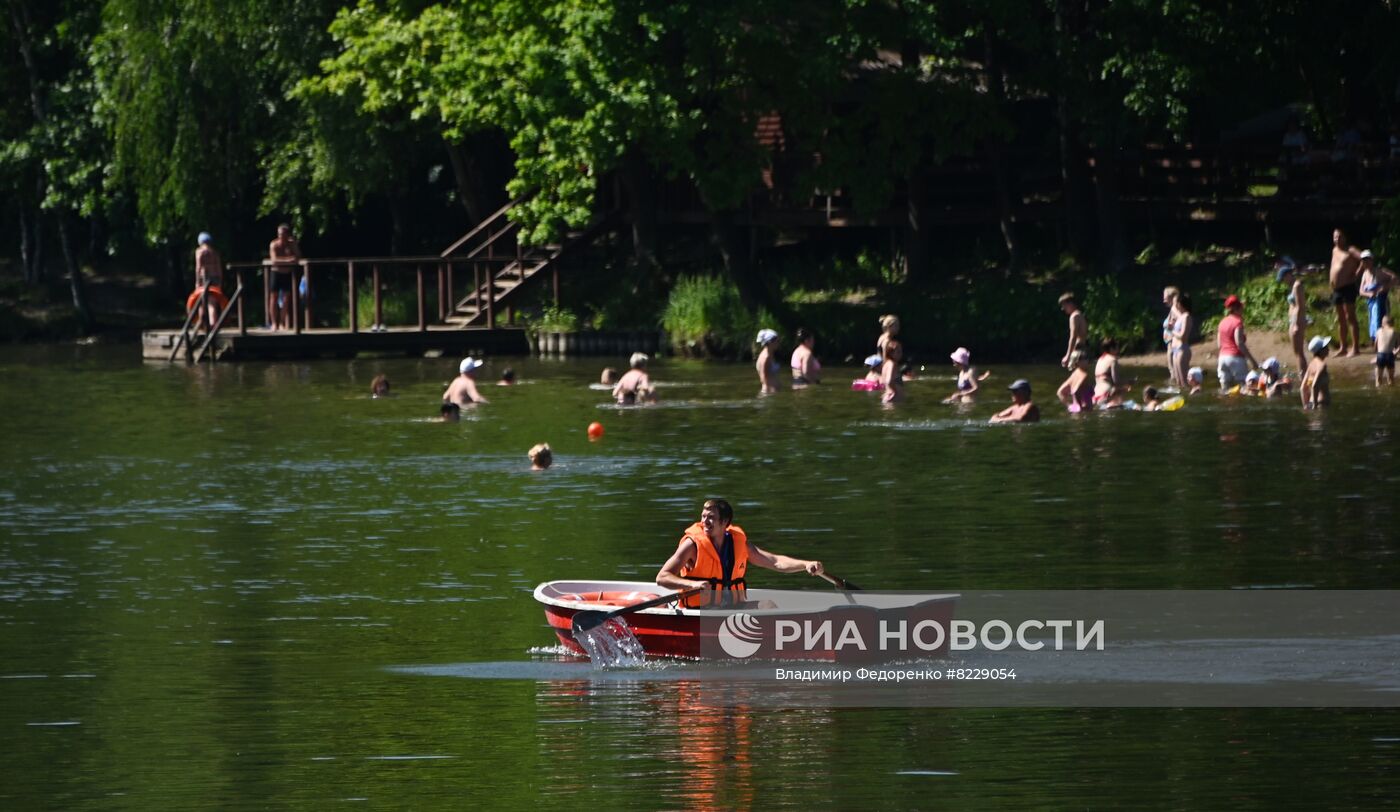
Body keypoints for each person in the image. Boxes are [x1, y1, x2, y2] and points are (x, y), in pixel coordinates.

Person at [656, 499, 824, 608]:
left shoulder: (739, 544)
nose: (704, 522)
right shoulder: (692, 545)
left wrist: (805, 564)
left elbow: (775, 561)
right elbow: (662, 577)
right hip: (699, 612)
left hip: (730, 609)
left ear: (725, 522)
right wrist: (692, 585)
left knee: (768, 606)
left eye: (711, 517)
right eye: (703, 516)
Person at [1330, 229, 1362, 356]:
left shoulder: (1351, 250)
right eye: (1335, 237)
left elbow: (1364, 259)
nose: (1337, 239)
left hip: (1348, 287)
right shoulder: (1334, 250)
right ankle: (1343, 347)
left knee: (1351, 317)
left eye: (1339, 237)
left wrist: (1356, 275)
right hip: (1336, 289)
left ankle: (1355, 348)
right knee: (1340, 319)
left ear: (1345, 237)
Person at [1216, 295, 1258, 389]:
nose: (1242, 310)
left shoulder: (1222, 322)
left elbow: (1219, 345)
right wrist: (1253, 361)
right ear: (1237, 308)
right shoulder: (1238, 322)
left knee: (1225, 390)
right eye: (1241, 307)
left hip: (1222, 358)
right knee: (1244, 387)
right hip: (1236, 359)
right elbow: (1239, 343)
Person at [1277, 260, 1309, 373]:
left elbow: (1300, 306)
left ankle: (1303, 374)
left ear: (1288, 275)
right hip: (1293, 320)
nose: (1283, 282)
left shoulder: (1297, 286)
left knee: (1299, 352)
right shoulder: (1292, 287)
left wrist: (1295, 323)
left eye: (1284, 278)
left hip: (1297, 321)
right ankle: (1302, 373)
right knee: (1296, 352)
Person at [1359, 250, 1396, 347]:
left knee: (1382, 321)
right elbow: (1361, 291)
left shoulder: (1380, 271)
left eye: (1367, 260)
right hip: (1371, 302)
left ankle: (1386, 344)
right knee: (1373, 321)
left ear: (1372, 260)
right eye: (1363, 260)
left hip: (1381, 300)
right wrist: (1369, 294)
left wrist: (1385, 287)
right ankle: (1376, 342)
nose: (1365, 262)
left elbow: (1394, 278)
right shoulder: (1365, 274)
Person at [193, 232, 225, 331]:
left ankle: (201, 323)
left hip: (204, 279)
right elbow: (219, 268)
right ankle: (213, 324)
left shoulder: (199, 252)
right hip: (215, 278)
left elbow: (198, 267)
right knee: (212, 303)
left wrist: (197, 281)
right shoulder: (214, 252)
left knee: (201, 302)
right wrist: (220, 281)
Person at [1169, 293, 1194, 390]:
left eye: (1176, 303)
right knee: (1178, 382)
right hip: (1176, 350)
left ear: (1180, 304)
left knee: (1184, 382)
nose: (1175, 305)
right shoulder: (1181, 317)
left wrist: (1172, 330)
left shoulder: (1187, 317)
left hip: (1182, 350)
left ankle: (1190, 397)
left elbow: (1183, 336)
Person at [1301, 335, 1332, 408]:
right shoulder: (1322, 365)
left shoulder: (1311, 365)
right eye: (1326, 347)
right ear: (1320, 351)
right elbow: (1314, 385)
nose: (1328, 349)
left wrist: (1305, 405)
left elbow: (1303, 388)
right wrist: (1315, 406)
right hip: (1321, 404)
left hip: (1311, 402)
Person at [1058, 293, 1088, 368]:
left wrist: (1068, 355)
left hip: (1078, 350)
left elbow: (1073, 336)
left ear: (1070, 303)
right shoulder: (1080, 314)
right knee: (1080, 374)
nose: (1063, 308)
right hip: (1083, 348)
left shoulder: (1074, 316)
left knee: (1077, 375)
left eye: (1064, 305)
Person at [1161, 287, 1183, 385]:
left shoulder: (1175, 308)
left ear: (1172, 297)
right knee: (1172, 360)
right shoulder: (1172, 309)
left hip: (1173, 341)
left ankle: (1174, 378)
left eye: (1166, 297)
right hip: (1170, 341)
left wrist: (1171, 325)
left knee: (1172, 358)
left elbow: (1181, 320)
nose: (1164, 300)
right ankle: (1174, 376)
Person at [1093, 339, 1124, 408]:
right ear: (1111, 348)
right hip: (1107, 393)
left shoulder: (1100, 359)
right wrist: (1128, 382)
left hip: (1096, 395)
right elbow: (1116, 381)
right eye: (1117, 348)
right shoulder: (1113, 360)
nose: (1118, 350)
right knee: (1121, 389)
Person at [755, 328, 781, 394]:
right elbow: (763, 379)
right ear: (770, 342)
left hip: (772, 390)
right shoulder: (766, 357)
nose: (779, 343)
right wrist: (772, 392)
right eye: (777, 341)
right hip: (769, 392)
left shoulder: (769, 355)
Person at [880, 339, 904, 404]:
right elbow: (888, 381)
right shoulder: (892, 364)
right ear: (891, 353)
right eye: (898, 352)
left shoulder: (886, 364)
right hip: (894, 399)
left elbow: (882, 381)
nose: (901, 354)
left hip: (888, 398)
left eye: (901, 351)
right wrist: (895, 391)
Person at [1376, 315, 1397, 386]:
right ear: (1393, 323)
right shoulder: (1395, 332)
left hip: (1380, 355)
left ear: (1383, 323)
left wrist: (1376, 354)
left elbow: (1375, 344)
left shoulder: (1379, 331)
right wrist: (1396, 353)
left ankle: (1378, 391)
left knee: (1378, 379)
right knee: (1391, 379)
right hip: (1390, 355)